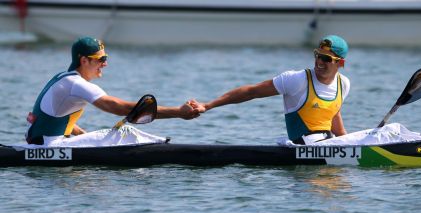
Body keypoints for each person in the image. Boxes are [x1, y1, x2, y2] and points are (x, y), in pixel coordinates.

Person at [26, 36, 200, 145]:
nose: (105, 63)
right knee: (125, 133)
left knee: (109, 135)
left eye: (106, 58)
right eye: (101, 59)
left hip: (41, 142)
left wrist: (87, 137)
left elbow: (59, 118)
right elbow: (119, 108)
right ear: (84, 60)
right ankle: (166, 149)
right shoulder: (76, 84)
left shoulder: (63, 77)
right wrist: (178, 112)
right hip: (49, 146)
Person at [191, 35, 350, 144]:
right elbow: (251, 92)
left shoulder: (343, 84)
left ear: (340, 63)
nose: (319, 61)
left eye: (326, 58)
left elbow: (333, 116)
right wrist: (208, 105)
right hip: (301, 151)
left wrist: (354, 145)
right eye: (317, 55)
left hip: (328, 145)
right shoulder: (297, 79)